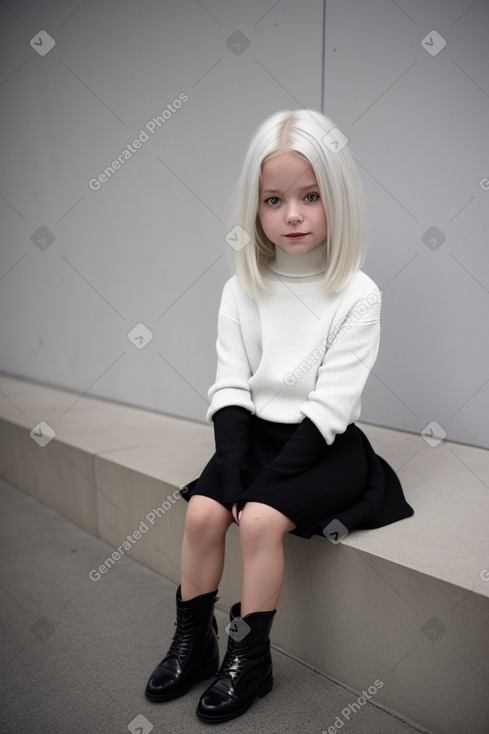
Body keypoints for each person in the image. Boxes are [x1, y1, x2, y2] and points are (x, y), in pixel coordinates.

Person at [144, 109, 414, 724]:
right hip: (255, 435)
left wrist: (260, 490)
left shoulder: (357, 294)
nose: (292, 214)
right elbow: (231, 386)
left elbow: (330, 406)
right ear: (255, 208)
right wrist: (234, 469)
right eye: (274, 199)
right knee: (206, 509)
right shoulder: (243, 287)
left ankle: (250, 659)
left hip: (325, 443)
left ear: (336, 199)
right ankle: (193, 642)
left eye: (310, 196)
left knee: (261, 520)